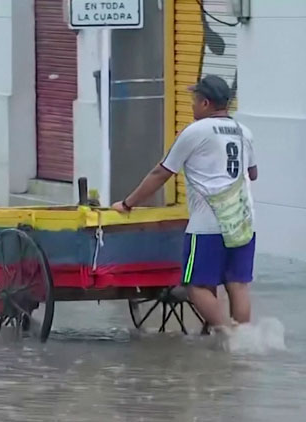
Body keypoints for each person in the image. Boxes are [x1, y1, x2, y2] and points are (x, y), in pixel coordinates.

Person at [111, 75, 258, 333]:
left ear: (205, 103)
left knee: (196, 286)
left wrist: (128, 203)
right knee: (238, 283)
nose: (191, 106)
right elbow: (253, 173)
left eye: (194, 100)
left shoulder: (195, 131)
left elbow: (161, 173)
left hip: (207, 225)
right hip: (244, 221)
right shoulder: (243, 131)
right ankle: (246, 339)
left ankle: (229, 336)